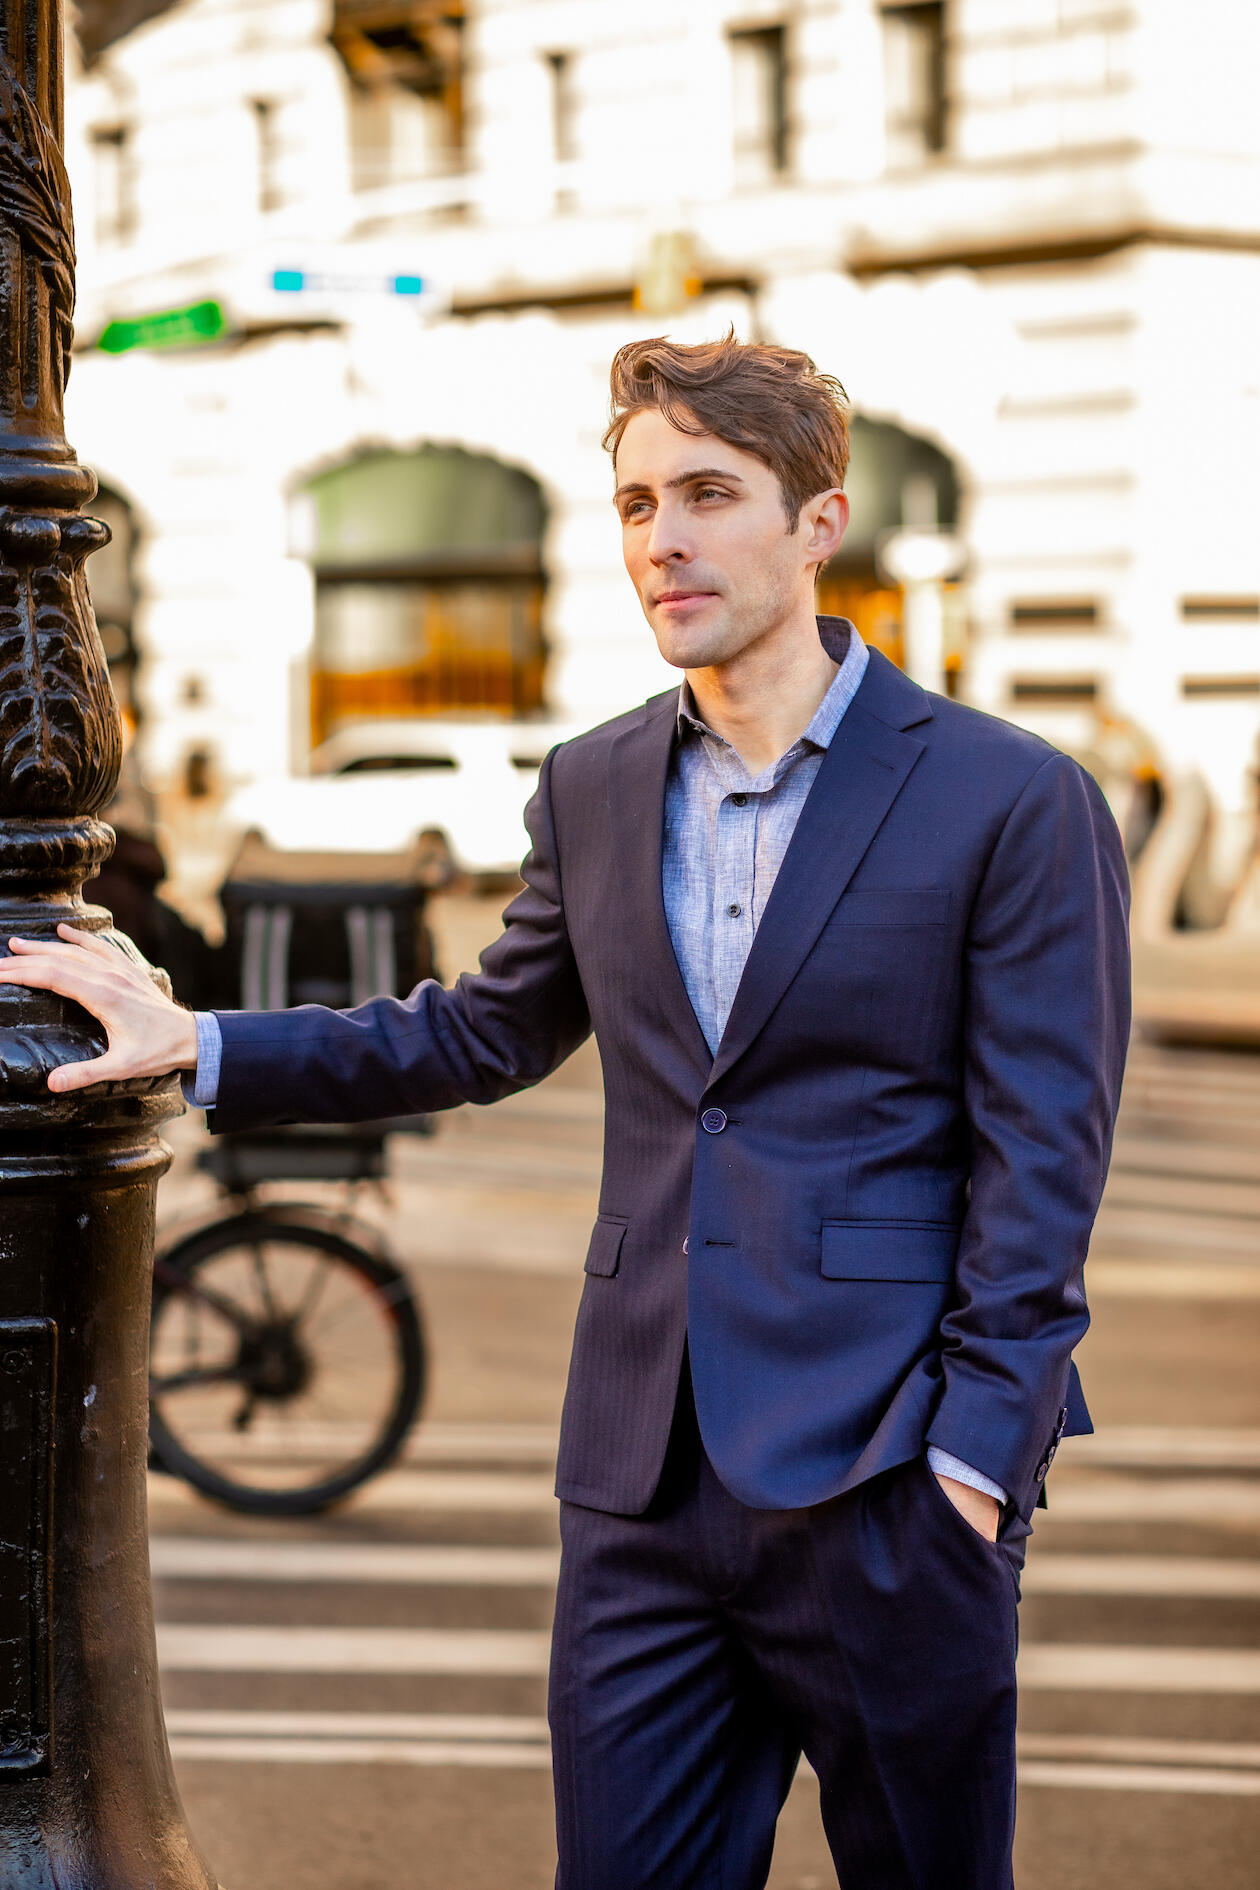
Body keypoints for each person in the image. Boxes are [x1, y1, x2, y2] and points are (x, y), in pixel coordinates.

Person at [0, 334, 1131, 1890]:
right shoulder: (596, 785)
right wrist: (195, 1038)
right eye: (635, 502)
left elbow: (1043, 1162)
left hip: (887, 1474)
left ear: (820, 522)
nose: (663, 537)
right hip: (641, 1489)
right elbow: (474, 1031)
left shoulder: (1007, 797)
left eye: (711, 494)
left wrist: (970, 1468)